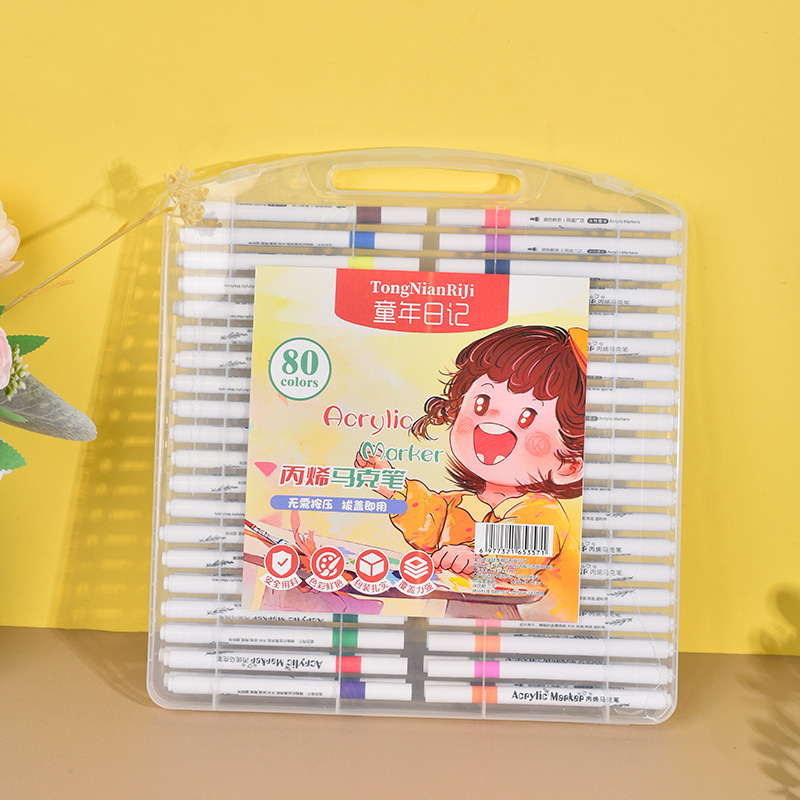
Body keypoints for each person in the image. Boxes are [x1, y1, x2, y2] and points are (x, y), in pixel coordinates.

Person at [355, 325, 587, 619]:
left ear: (569, 465)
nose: (492, 421)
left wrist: (476, 560)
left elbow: (519, 557)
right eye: (482, 403)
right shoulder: (464, 504)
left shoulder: (542, 513)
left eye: (527, 417)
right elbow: (431, 520)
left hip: (527, 627)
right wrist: (393, 486)